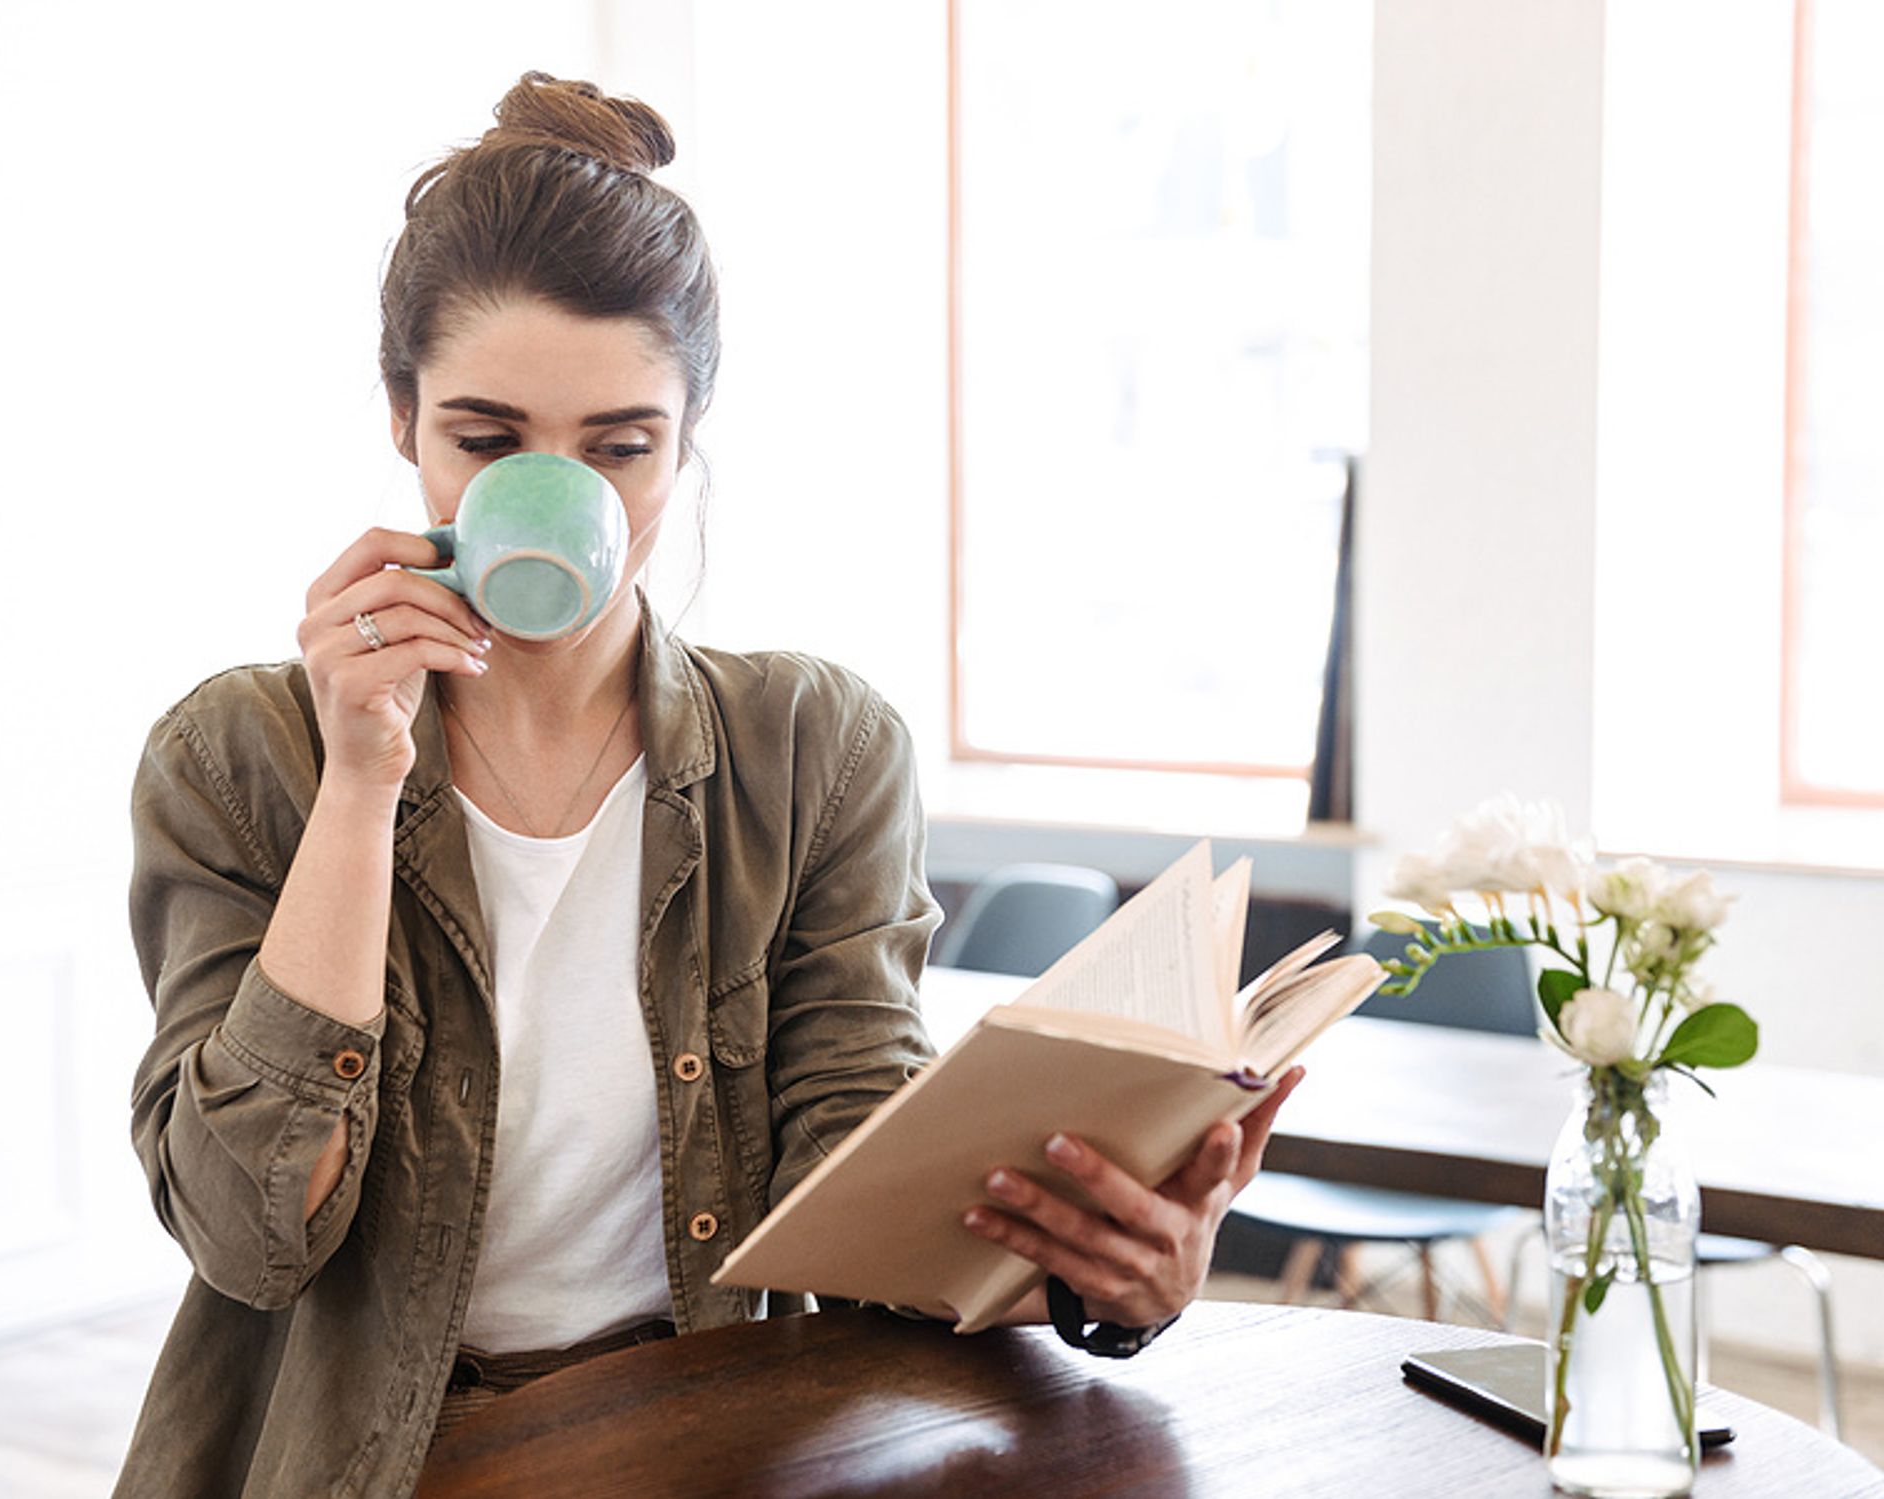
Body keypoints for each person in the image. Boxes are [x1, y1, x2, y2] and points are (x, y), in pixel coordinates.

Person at [117, 72, 1298, 1498]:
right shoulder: (240, 759)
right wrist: (362, 783)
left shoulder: (814, 749)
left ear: (688, 438)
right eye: (486, 442)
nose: (562, 499)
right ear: (401, 417)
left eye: (622, 448)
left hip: (701, 1433)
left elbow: (855, 1170)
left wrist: (1103, 1274)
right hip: (362, 1457)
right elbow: (254, 1238)